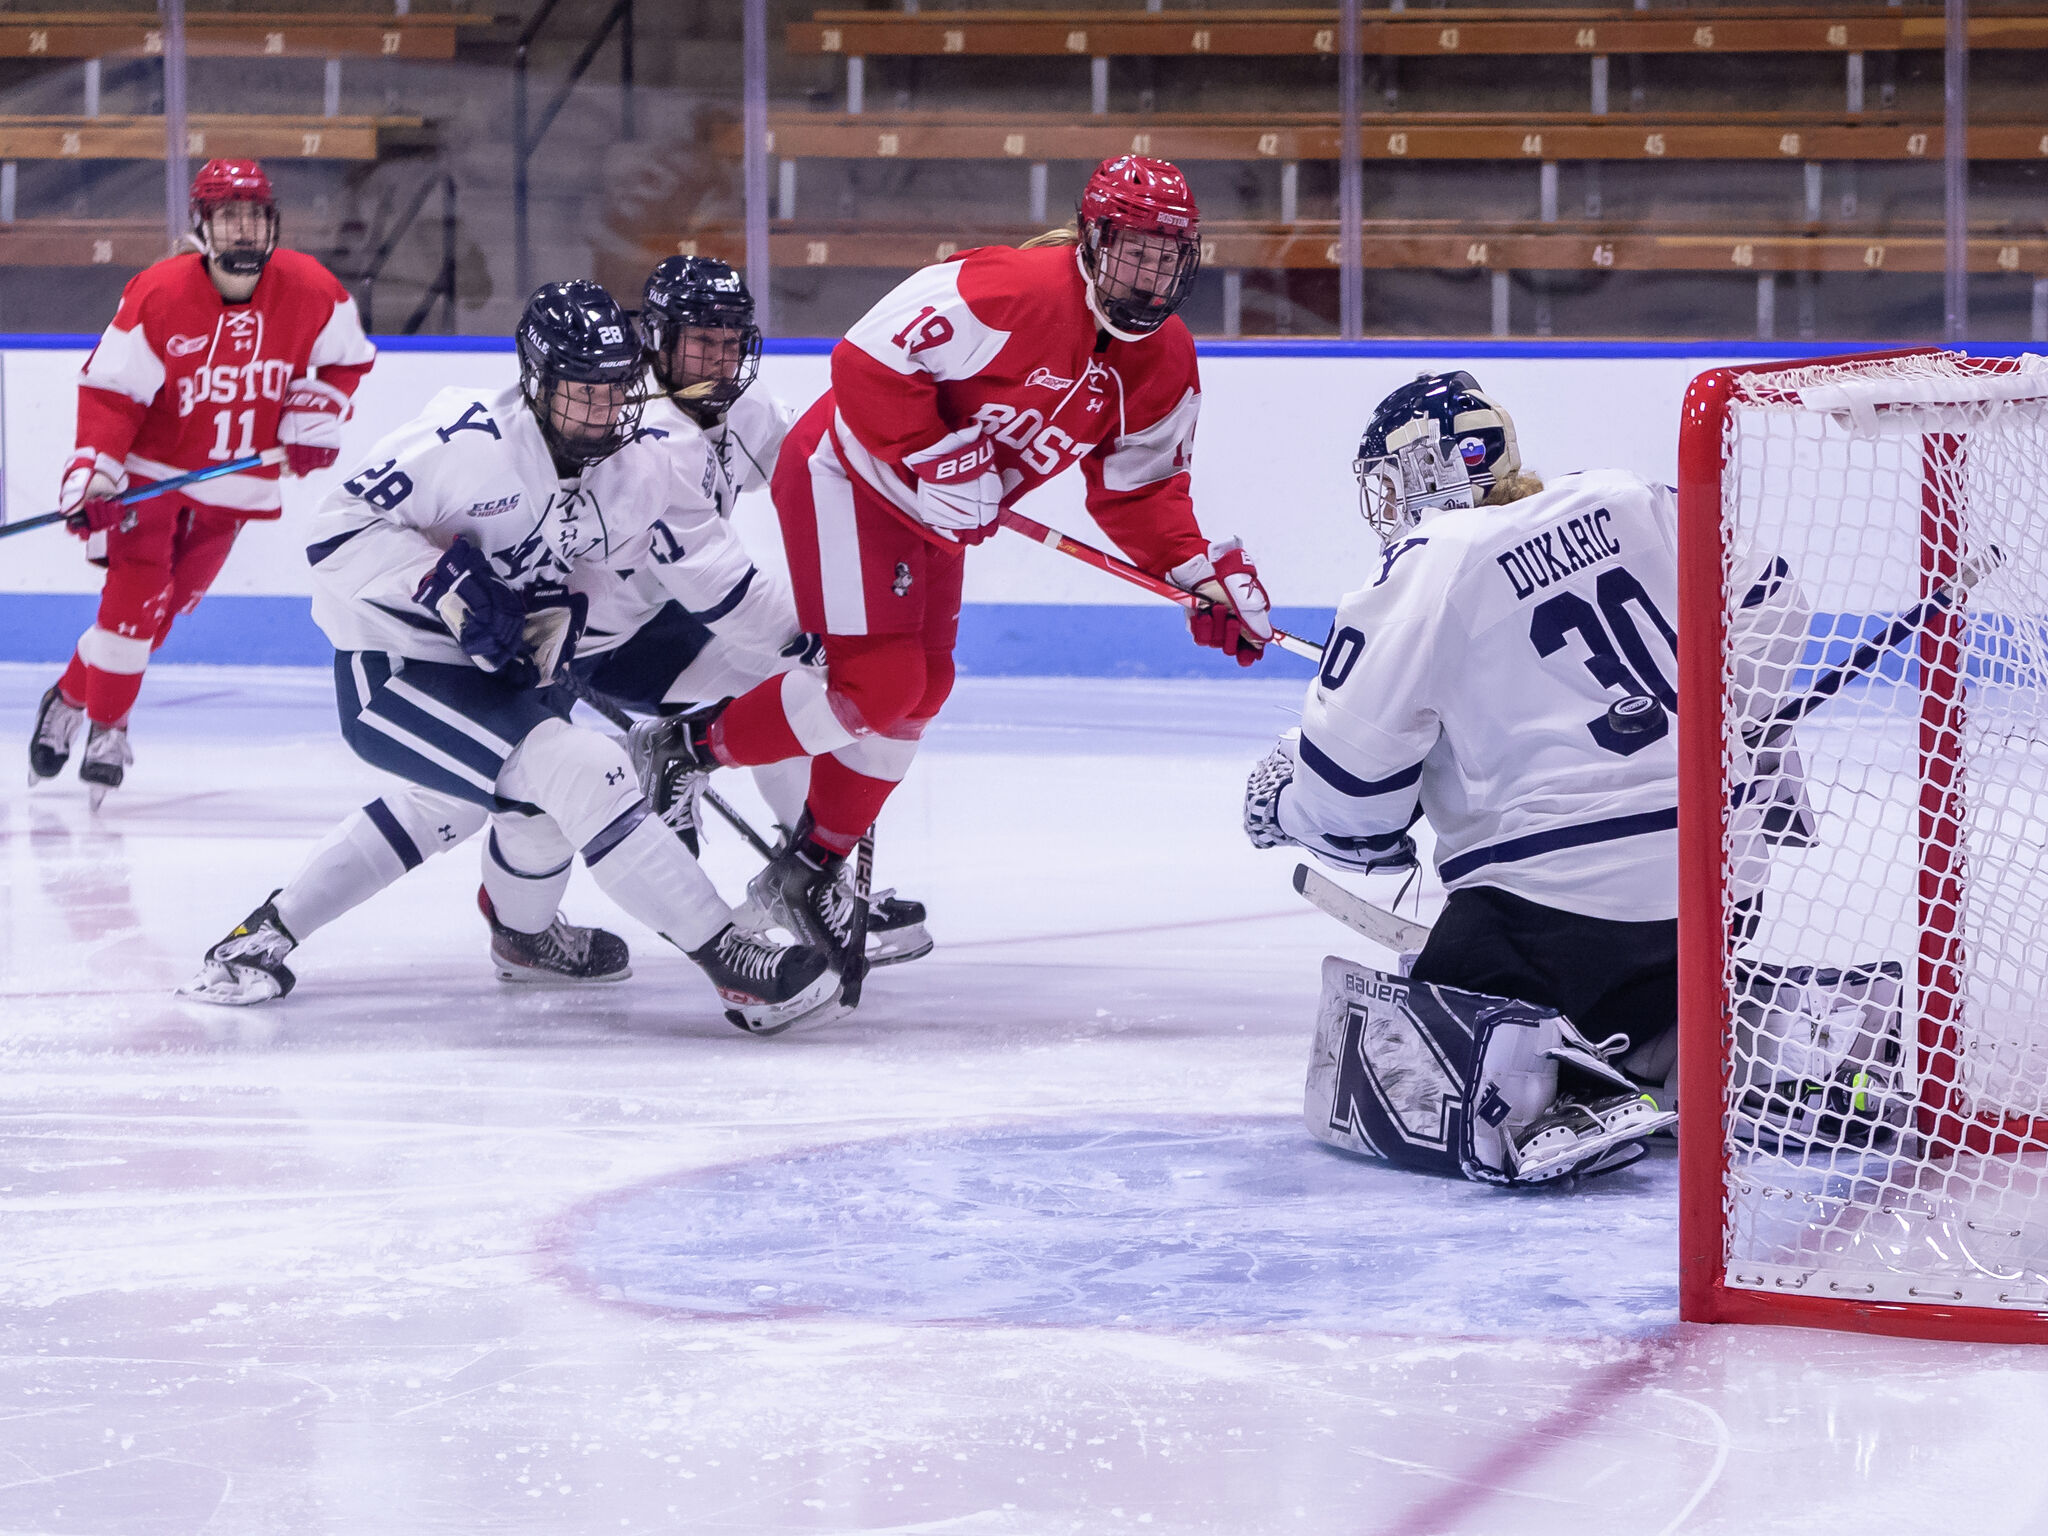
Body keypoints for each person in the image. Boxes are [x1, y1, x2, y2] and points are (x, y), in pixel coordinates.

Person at [633, 155, 1274, 973]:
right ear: (1090, 239)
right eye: (1131, 253)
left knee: (924, 688)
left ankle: (811, 869)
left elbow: (1140, 491)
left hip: (936, 519)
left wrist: (1196, 575)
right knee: (879, 683)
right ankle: (685, 751)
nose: (1146, 279)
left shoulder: (1165, 361)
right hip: (850, 477)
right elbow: (865, 360)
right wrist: (933, 454)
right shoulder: (1008, 290)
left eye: (1166, 257)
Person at [180, 281, 839, 1036]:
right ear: (537, 380)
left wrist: (816, 636)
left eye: (614, 390)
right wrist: (440, 584)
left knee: (512, 807)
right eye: (581, 392)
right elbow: (333, 535)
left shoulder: (639, 465)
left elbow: (706, 576)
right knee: (584, 769)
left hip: (497, 672)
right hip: (393, 665)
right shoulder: (466, 442)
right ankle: (732, 957)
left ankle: (495, 940)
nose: (601, 410)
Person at [1243, 371, 1683, 1185]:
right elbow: (1769, 607)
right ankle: (1684, 1040)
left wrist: (1288, 799)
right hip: (1723, 887)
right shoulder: (1633, 497)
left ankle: (1553, 1087)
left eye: (1386, 480)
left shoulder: (1430, 561)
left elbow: (1353, 805)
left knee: (1403, 1033)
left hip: (1557, 911)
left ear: (1421, 473)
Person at [581, 255, 931, 966]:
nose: (718, 356)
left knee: (800, 689)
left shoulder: (737, 400)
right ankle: (810, 869)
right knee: (790, 687)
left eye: (730, 339)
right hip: (607, 634)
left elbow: (809, 464)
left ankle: (809, 863)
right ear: (658, 341)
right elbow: (725, 589)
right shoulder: (650, 438)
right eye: (699, 341)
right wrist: (828, 643)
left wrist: (893, 487)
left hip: (666, 612)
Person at [27, 158, 376, 807]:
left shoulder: (312, 289)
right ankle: (108, 728)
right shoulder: (158, 292)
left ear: (271, 223)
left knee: (159, 616)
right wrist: (95, 475)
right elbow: (113, 393)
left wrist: (313, 413)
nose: (244, 231)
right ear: (202, 227)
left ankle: (71, 694)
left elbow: (347, 363)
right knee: (135, 602)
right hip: (150, 474)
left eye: (254, 216)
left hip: (234, 478)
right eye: (229, 217)